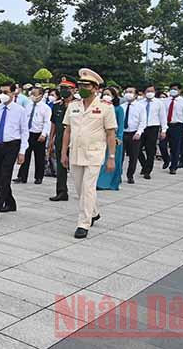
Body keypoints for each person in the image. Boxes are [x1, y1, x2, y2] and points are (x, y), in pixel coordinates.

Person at [60, 68, 117, 239]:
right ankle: (94, 212)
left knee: (88, 188)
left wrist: (111, 157)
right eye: (80, 85)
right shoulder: (73, 106)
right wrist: (63, 152)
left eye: (86, 85)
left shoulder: (106, 108)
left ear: (95, 88)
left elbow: (111, 133)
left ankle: (83, 223)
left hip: (94, 153)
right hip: (75, 153)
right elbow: (67, 131)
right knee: (79, 189)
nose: (82, 88)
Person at [0, 82, 29, 219]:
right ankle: (10, 202)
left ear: (14, 93)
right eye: (1, 92)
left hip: (12, 145)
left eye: (6, 92)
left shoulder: (20, 111)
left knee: (5, 175)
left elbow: (24, 132)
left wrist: (22, 151)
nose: (3, 95)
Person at [15, 86, 51, 185]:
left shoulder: (45, 108)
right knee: (25, 154)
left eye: (35, 94)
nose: (33, 96)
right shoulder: (28, 105)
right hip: (27, 133)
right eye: (32, 94)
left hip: (38, 134)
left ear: (41, 95)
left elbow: (47, 122)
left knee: (39, 157)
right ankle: (22, 176)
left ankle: (39, 177)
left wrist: (44, 134)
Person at [49, 78, 76, 201]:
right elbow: (53, 124)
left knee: (77, 168)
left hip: (76, 141)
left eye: (67, 88)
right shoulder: (56, 106)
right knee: (61, 167)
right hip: (60, 140)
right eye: (62, 88)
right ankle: (61, 191)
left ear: (74, 90)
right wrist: (51, 141)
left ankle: (83, 192)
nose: (64, 91)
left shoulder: (79, 105)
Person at [137, 85, 168, 180]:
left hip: (153, 128)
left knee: (150, 150)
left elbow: (163, 117)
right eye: (148, 91)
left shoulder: (159, 103)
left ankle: (147, 171)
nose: (150, 92)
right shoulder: (140, 103)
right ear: (144, 92)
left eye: (152, 91)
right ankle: (144, 164)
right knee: (137, 149)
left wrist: (163, 130)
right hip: (141, 128)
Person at [96, 87, 123, 191]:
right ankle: (100, 181)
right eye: (104, 94)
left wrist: (118, 138)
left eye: (108, 94)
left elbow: (120, 125)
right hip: (102, 137)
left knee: (111, 159)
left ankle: (109, 183)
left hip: (114, 138)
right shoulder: (100, 107)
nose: (106, 96)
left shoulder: (118, 109)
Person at [162, 83, 183, 175]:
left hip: (178, 126)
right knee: (162, 144)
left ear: (180, 90)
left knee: (175, 147)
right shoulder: (165, 101)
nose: (173, 91)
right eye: (171, 89)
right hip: (166, 125)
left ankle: (173, 166)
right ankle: (166, 159)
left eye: (175, 89)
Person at [119, 86, 146, 184]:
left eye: (131, 92)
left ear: (135, 94)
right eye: (126, 92)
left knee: (133, 157)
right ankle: (118, 175)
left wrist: (139, 132)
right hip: (122, 133)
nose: (128, 94)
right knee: (120, 157)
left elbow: (143, 121)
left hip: (134, 134)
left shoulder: (140, 107)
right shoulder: (122, 106)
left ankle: (130, 175)